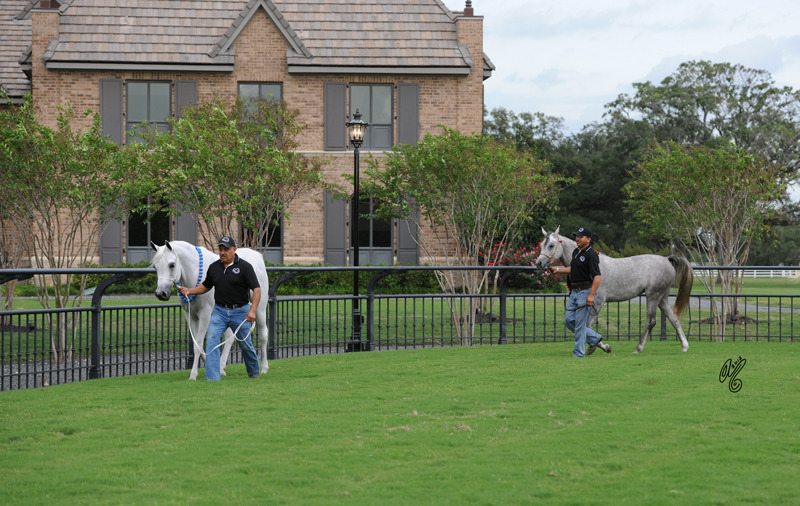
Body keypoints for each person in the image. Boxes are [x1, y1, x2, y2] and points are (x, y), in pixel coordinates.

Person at [179, 236, 261, 380]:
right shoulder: (214, 267)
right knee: (212, 342)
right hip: (219, 312)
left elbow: (257, 289)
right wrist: (189, 291)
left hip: (240, 311)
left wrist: (253, 311)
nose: (222, 252)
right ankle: (212, 378)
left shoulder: (245, 267)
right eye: (220, 249)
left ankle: (254, 374)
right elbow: (206, 286)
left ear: (234, 250)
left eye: (226, 249)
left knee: (246, 345)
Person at [549, 227, 611, 358]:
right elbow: (574, 269)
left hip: (585, 291)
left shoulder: (591, 254)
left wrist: (591, 295)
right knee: (568, 321)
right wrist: (558, 270)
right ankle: (594, 338)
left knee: (580, 324)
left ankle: (578, 354)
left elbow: (597, 276)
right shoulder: (576, 252)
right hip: (575, 292)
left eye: (580, 237)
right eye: (577, 236)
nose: (577, 238)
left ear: (588, 239)